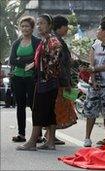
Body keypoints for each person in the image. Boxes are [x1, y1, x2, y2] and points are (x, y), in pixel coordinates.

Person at [16, 14, 61, 151]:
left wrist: (40, 69)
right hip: (49, 81)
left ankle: (32, 142)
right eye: (39, 23)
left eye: (42, 23)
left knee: (37, 110)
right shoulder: (45, 40)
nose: (39, 26)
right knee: (49, 112)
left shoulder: (52, 41)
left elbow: (53, 61)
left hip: (45, 81)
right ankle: (50, 142)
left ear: (49, 25)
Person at [9, 16, 41, 142]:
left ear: (32, 28)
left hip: (32, 78)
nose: (24, 28)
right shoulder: (16, 43)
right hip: (17, 78)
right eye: (22, 26)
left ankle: (37, 135)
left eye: (27, 26)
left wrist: (20, 60)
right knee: (20, 106)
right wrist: (27, 62)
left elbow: (37, 58)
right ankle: (21, 134)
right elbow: (12, 60)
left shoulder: (37, 41)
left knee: (34, 106)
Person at [51, 15, 77, 144]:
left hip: (59, 80)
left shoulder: (57, 40)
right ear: (60, 27)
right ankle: (50, 135)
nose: (67, 29)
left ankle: (50, 134)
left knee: (57, 108)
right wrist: (66, 82)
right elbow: (59, 65)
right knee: (58, 108)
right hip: (60, 81)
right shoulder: (56, 41)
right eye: (66, 26)